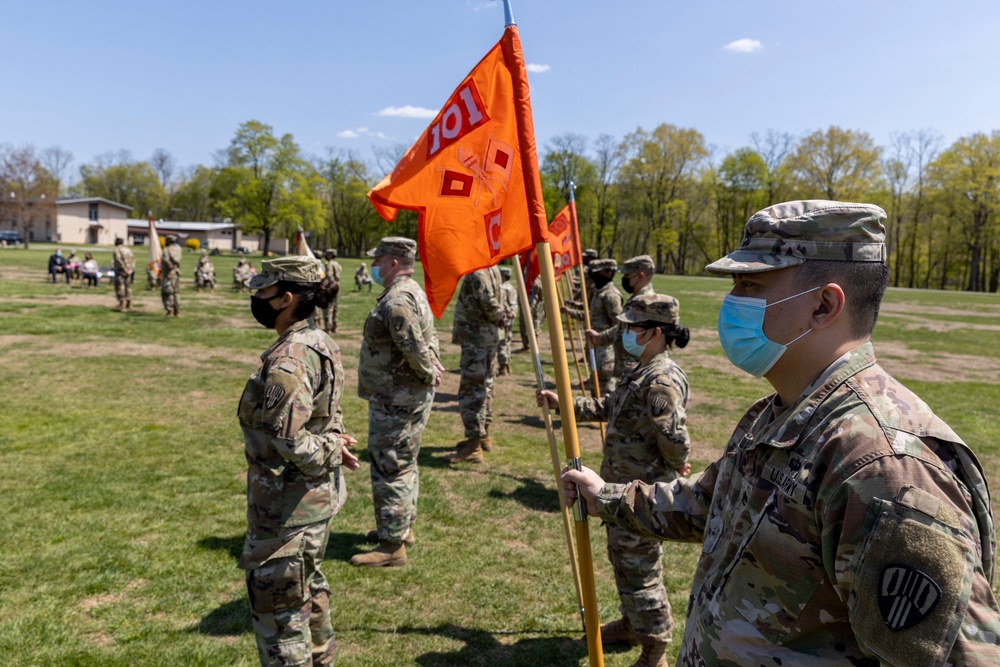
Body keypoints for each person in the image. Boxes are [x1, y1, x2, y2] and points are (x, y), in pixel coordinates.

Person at [563, 200, 1000, 666]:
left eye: (750, 285)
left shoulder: (883, 466)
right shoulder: (776, 414)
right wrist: (605, 496)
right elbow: (709, 505)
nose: (731, 303)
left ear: (823, 305)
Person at [541, 293, 691, 667]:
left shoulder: (660, 379)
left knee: (640, 570)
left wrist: (679, 464)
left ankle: (655, 647)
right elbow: (610, 406)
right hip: (618, 489)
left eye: (632, 327)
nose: (624, 332)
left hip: (640, 494)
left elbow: (674, 439)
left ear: (654, 332)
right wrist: (564, 402)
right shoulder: (640, 369)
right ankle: (632, 623)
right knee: (623, 561)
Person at [238, 255, 359, 667]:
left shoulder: (289, 358)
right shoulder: (318, 340)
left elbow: (288, 438)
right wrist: (334, 442)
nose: (256, 297)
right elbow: (324, 416)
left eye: (264, 290)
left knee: (281, 614)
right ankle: (322, 657)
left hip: (287, 507)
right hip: (310, 501)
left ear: (286, 298)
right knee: (308, 587)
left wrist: (329, 448)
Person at [351, 237, 442, 567]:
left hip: (397, 398)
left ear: (392, 263)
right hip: (402, 395)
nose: (373, 265)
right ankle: (401, 528)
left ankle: (392, 546)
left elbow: (414, 345)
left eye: (378, 260)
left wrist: (429, 371)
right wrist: (431, 367)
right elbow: (427, 340)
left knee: (391, 466)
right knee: (404, 462)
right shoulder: (411, 291)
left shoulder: (397, 299)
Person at [444, 265, 504, 463]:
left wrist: (499, 318)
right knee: (485, 387)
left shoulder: (478, 272)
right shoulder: (492, 268)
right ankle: (483, 435)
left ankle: (474, 445)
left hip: (477, 340)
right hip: (485, 338)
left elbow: (489, 302)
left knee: (473, 390)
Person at [587, 255, 655, 381]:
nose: (624, 279)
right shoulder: (636, 299)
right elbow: (622, 328)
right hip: (627, 368)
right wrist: (600, 337)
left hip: (637, 370)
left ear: (640, 276)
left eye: (627, 276)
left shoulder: (645, 302)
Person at [564, 258, 623, 395]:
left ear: (609, 273)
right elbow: (591, 316)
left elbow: (619, 324)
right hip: (594, 346)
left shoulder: (611, 295)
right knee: (595, 380)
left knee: (605, 383)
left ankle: (607, 412)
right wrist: (571, 312)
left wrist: (603, 337)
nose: (594, 277)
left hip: (605, 349)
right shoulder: (599, 292)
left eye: (599, 273)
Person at [497, 266, 518, 375]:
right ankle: (507, 363)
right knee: (507, 341)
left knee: (502, 343)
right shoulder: (512, 288)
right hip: (510, 317)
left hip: (504, 317)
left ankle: (503, 366)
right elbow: (514, 304)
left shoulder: (502, 288)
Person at [321, 249, 342, 333]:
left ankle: (328, 327)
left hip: (331, 287)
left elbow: (329, 276)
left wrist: (326, 286)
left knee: (328, 307)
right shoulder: (338, 264)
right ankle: (335, 326)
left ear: (330, 255)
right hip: (337, 286)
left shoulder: (329, 264)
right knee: (335, 307)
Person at [161, 235, 182, 316]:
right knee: (176, 291)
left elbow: (166, 260)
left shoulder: (166, 250)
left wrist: (170, 268)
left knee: (167, 292)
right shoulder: (178, 249)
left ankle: (170, 309)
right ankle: (177, 309)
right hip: (176, 272)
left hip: (168, 273)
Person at [113, 238, 135, 311]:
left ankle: (122, 304)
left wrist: (124, 268)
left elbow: (118, 259)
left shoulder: (117, 250)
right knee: (128, 286)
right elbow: (133, 259)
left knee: (120, 286)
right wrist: (131, 268)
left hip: (121, 270)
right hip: (129, 270)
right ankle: (129, 302)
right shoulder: (128, 250)